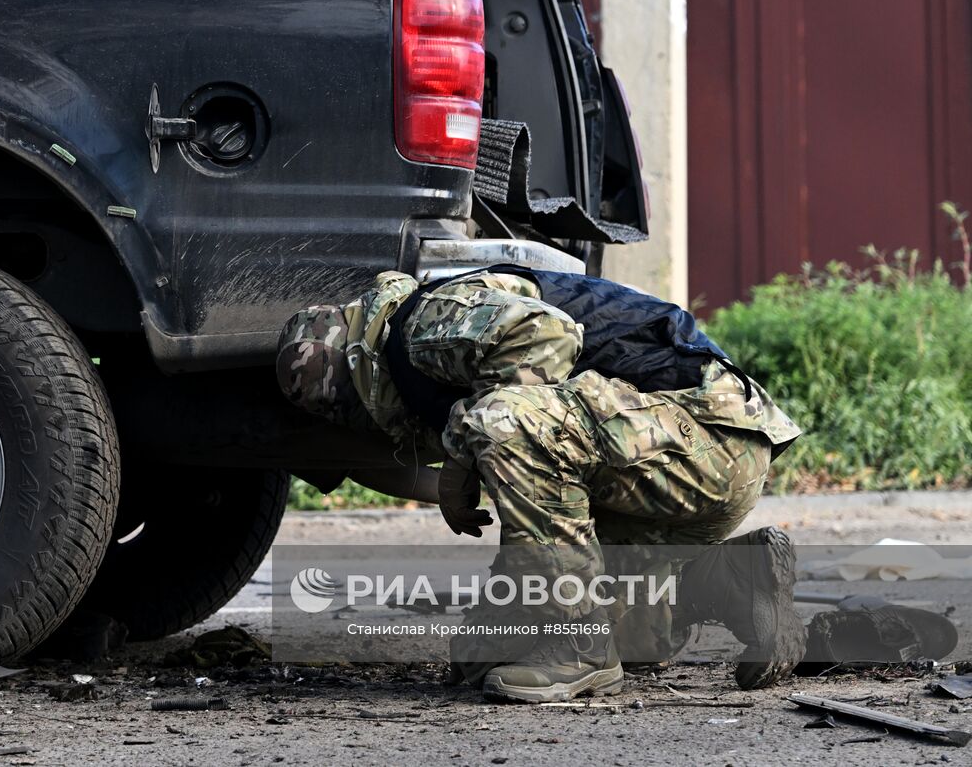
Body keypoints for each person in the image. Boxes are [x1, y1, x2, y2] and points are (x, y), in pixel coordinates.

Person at [275, 266, 805, 702]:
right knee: (481, 653)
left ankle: (577, 648)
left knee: (503, 422)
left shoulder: (419, 324)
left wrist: (461, 455)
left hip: (708, 438)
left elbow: (549, 338)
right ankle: (730, 579)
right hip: (668, 461)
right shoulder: (415, 364)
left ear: (351, 365)